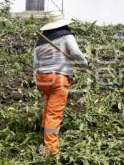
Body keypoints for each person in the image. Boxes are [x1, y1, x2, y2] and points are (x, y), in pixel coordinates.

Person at [33, 11, 88, 156]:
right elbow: (75, 52)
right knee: (54, 113)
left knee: (48, 103)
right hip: (58, 78)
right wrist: (84, 64)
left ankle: (42, 131)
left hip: (41, 78)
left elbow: (35, 63)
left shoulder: (40, 40)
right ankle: (50, 149)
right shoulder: (66, 35)